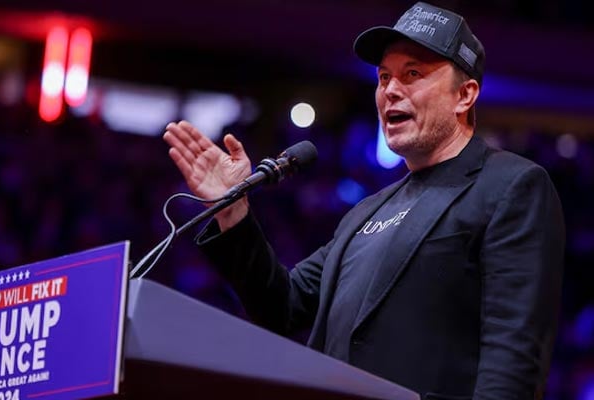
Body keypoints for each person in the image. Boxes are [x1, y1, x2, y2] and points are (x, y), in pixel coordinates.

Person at [162, 2, 564, 399]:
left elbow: (513, 360)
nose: (391, 90)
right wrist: (233, 211)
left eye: (413, 74)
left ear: (465, 95)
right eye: (384, 76)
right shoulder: (365, 213)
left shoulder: (511, 186)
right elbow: (282, 307)